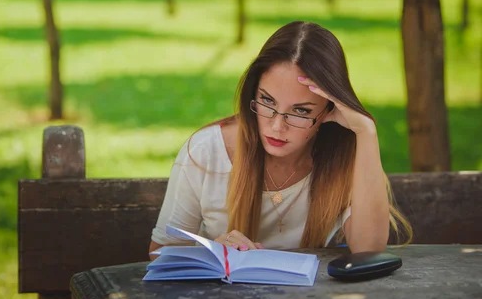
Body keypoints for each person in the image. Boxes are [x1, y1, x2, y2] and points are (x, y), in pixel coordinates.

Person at [148, 21, 412, 258]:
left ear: (330, 109)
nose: (276, 127)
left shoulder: (346, 154)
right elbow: (160, 253)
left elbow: (369, 249)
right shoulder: (208, 150)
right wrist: (214, 254)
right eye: (266, 101)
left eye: (300, 111)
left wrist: (366, 132)